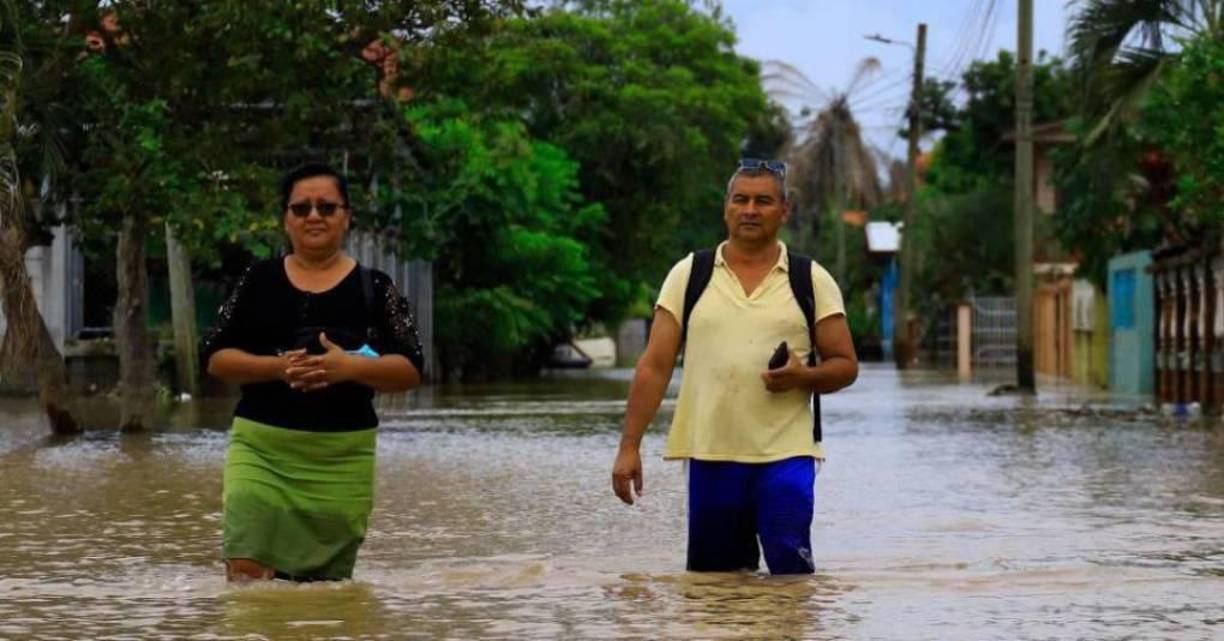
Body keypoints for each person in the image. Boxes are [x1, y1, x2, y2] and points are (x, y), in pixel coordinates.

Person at [611, 158, 858, 574]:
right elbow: (654, 366)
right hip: (711, 454)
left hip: (787, 455)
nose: (750, 210)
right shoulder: (690, 274)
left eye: (763, 201)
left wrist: (803, 377)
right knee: (715, 587)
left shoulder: (810, 279)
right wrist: (629, 446)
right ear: (725, 207)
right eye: (740, 199)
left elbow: (846, 365)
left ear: (784, 211)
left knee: (791, 582)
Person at [202, 162, 424, 582]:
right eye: (301, 208)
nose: (314, 216)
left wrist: (349, 367)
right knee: (246, 568)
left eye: (326, 206)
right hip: (261, 449)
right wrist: (278, 367)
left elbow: (412, 368)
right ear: (286, 219)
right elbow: (214, 356)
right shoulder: (255, 280)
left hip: (341, 457)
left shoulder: (376, 288)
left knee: (323, 592)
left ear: (347, 216)